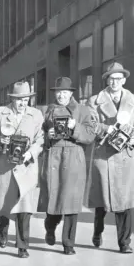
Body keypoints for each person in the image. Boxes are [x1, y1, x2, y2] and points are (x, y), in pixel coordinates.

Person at [86, 62, 134, 253]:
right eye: (111, 78)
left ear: (124, 80)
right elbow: (90, 125)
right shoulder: (94, 100)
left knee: (124, 202)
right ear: (107, 80)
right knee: (101, 202)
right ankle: (97, 231)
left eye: (118, 78)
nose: (115, 82)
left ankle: (124, 242)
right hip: (103, 155)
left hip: (124, 156)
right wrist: (106, 128)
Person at [39, 77, 96, 255]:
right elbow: (39, 136)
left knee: (71, 203)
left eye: (65, 92)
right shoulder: (48, 111)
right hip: (54, 157)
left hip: (74, 157)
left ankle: (68, 243)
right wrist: (47, 135)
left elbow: (90, 136)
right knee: (54, 199)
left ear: (71, 93)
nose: (61, 95)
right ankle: (50, 226)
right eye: (58, 92)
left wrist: (75, 127)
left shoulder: (83, 110)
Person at [0, 81, 44, 258]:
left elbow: (40, 139)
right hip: (5, 167)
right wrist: (0, 143)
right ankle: (3, 228)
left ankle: (22, 245)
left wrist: (32, 153)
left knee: (24, 209)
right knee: (4, 205)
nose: (22, 103)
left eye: (26, 99)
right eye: (19, 100)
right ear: (12, 99)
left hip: (26, 168)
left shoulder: (36, 115)